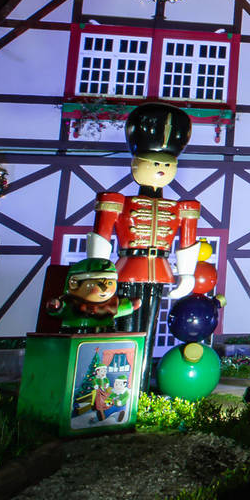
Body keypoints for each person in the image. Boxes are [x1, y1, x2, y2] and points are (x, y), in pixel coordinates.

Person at [86, 104, 202, 360]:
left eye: (167, 165)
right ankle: (121, 368)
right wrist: (96, 270)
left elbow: (187, 242)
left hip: (159, 270)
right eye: (154, 163)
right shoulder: (118, 202)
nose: (161, 169)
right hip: (127, 267)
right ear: (137, 164)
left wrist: (186, 274)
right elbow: (102, 235)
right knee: (123, 322)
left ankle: (142, 368)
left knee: (149, 326)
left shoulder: (182, 208)